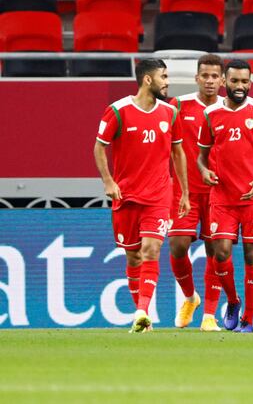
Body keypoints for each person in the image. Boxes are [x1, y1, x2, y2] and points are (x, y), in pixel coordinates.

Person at [94, 59, 190, 333]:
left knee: (151, 250)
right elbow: (99, 147)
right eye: (163, 77)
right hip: (126, 195)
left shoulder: (170, 113)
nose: (167, 82)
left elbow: (178, 152)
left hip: (159, 194)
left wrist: (184, 191)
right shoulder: (118, 111)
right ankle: (142, 320)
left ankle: (142, 311)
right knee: (133, 256)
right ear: (148, 80)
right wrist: (108, 181)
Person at [197, 60, 253, 333]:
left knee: (251, 254)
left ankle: (248, 318)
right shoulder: (210, 114)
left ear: (251, 82)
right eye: (234, 81)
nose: (240, 86)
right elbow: (201, 156)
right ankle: (232, 300)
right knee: (220, 253)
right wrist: (204, 171)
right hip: (221, 197)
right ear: (224, 82)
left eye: (245, 81)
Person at [168, 54, 225, 331]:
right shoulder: (179, 105)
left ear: (223, 80)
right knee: (178, 246)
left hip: (218, 193)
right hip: (185, 191)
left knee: (216, 249)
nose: (210, 80)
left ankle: (210, 315)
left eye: (215, 76)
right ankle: (190, 297)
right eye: (205, 75)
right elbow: (167, 146)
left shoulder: (230, 108)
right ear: (197, 78)